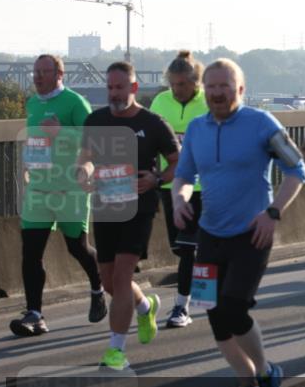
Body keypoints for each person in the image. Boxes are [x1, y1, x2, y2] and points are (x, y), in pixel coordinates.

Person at [172, 58, 305, 387]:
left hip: (251, 233)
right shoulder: (198, 129)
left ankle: (266, 372)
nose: (218, 93)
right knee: (213, 314)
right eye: (212, 86)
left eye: (225, 86)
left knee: (234, 307)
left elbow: (297, 170)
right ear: (205, 90)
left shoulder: (261, 123)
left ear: (241, 90)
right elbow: (183, 176)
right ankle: (247, 385)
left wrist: (273, 213)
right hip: (209, 235)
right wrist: (178, 200)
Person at [77, 62, 179, 370]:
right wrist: (84, 173)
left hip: (139, 209)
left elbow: (177, 162)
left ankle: (115, 351)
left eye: (120, 87)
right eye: (110, 88)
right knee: (108, 282)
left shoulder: (153, 123)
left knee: (122, 277)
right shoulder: (96, 120)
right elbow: (86, 160)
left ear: (133, 88)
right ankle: (145, 306)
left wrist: (157, 179)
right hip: (106, 207)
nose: (114, 93)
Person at [11, 54, 107, 338]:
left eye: (44, 71)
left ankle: (98, 286)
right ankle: (35, 315)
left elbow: (95, 140)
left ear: (59, 74)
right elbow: (37, 139)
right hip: (39, 191)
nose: (37, 76)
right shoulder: (32, 103)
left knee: (77, 248)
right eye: (35, 71)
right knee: (31, 252)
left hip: (70, 190)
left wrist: (62, 131)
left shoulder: (75, 103)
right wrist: (30, 163)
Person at [150, 50, 210, 328]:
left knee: (190, 249)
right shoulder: (160, 102)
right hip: (169, 183)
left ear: (196, 82)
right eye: (172, 84)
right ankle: (207, 296)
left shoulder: (208, 102)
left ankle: (183, 307)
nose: (176, 89)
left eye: (183, 84)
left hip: (204, 186)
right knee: (181, 247)